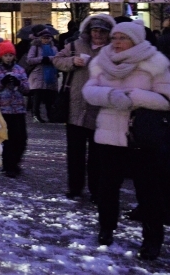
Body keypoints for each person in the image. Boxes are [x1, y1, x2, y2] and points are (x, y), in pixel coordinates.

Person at [82, 21, 170, 260]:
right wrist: (111, 95)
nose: (117, 42)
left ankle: (152, 239)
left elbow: (165, 99)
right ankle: (106, 229)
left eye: (123, 38)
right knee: (107, 187)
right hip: (108, 134)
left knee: (148, 191)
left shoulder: (156, 62)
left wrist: (133, 98)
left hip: (140, 137)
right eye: (115, 37)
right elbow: (89, 91)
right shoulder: (102, 60)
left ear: (136, 39)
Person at [52, 14, 115, 202]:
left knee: (97, 155)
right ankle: (75, 188)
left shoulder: (113, 50)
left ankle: (96, 189)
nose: (98, 34)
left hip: (100, 109)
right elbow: (57, 60)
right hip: (75, 108)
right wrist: (72, 61)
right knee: (75, 153)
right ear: (89, 31)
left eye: (102, 31)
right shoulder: (75, 46)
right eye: (95, 30)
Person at [0, 40, 30, 178]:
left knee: (21, 139)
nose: (8, 58)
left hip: (18, 109)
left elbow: (27, 89)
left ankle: (15, 162)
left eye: (11, 55)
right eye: (6, 55)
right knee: (8, 140)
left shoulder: (19, 70)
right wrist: (2, 83)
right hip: (3, 110)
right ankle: (9, 166)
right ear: (1, 56)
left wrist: (18, 84)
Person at [26, 29, 59, 123]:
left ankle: (50, 115)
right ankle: (36, 115)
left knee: (50, 97)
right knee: (37, 96)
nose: (46, 40)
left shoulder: (53, 48)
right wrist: (42, 59)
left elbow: (58, 58)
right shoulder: (35, 47)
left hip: (50, 75)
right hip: (38, 74)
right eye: (44, 38)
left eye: (48, 38)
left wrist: (50, 59)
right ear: (40, 38)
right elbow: (29, 60)